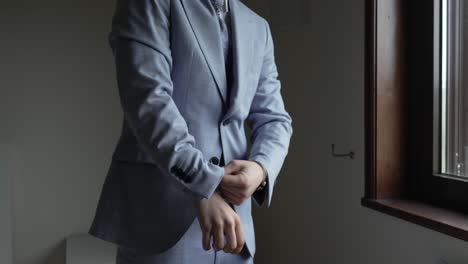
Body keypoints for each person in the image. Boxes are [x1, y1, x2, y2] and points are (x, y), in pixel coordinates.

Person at [88, 0, 293, 263]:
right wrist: (202, 184)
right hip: (162, 227)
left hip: (236, 235)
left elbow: (274, 119)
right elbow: (148, 103)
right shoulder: (149, 4)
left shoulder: (258, 27)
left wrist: (261, 169)